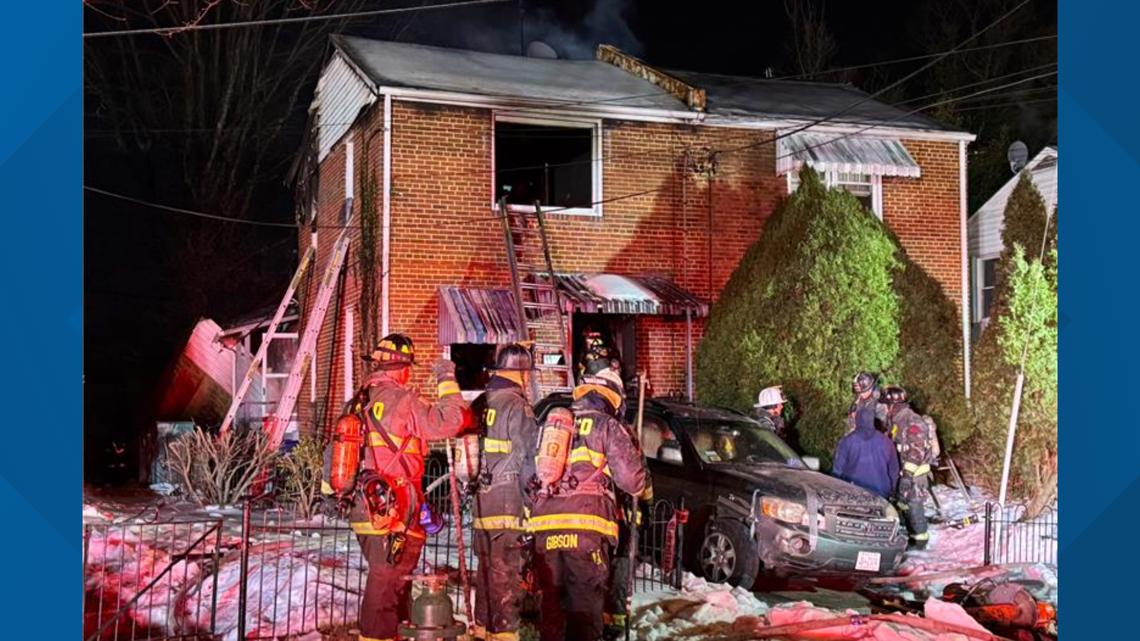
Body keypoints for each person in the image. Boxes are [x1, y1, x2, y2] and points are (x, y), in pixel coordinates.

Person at [335, 333, 471, 641]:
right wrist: (446, 379)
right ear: (403, 369)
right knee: (386, 586)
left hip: (364, 507)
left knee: (392, 582)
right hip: (394, 508)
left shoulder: (356, 403)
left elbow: (336, 455)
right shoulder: (403, 401)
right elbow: (452, 420)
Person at [530, 360, 649, 641]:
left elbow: (529, 477)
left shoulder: (551, 425)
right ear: (613, 398)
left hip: (545, 527)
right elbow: (632, 481)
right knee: (584, 606)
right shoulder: (607, 425)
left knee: (552, 604)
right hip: (586, 529)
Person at [470, 344, 540, 641]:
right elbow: (529, 460)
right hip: (508, 500)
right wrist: (534, 502)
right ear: (521, 373)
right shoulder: (518, 407)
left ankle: (482, 630)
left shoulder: (481, 403)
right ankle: (504, 635)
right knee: (507, 574)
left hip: (481, 500)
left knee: (486, 571)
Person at [882, 386, 935, 549]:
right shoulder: (896, 421)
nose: (884, 409)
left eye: (886, 405)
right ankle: (910, 540)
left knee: (914, 508)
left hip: (915, 477)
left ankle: (920, 544)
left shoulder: (912, 421)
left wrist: (907, 475)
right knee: (904, 508)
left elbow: (916, 452)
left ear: (892, 405)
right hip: (902, 474)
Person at [832, 405, 898, 499]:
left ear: (857, 420)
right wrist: (892, 489)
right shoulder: (887, 442)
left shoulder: (847, 441)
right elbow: (894, 470)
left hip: (853, 491)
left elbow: (837, 469)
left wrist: (835, 490)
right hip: (881, 493)